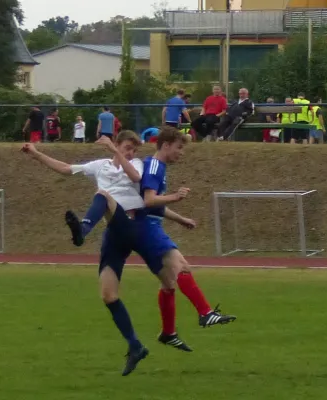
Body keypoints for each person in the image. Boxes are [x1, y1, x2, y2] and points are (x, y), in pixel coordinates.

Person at [21, 131, 151, 376]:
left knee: (103, 195)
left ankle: (81, 230)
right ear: (119, 144)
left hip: (131, 224)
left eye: (133, 149)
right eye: (127, 147)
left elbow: (135, 177)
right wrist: (37, 154)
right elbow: (66, 169)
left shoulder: (135, 164)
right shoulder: (100, 166)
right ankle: (135, 346)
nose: (130, 152)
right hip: (113, 232)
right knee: (108, 295)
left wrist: (115, 151)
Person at [138, 126, 236, 339]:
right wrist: (175, 196)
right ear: (165, 145)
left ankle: (168, 333)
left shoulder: (157, 166)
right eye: (179, 148)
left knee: (168, 284)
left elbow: (155, 206)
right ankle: (205, 313)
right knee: (181, 266)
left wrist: (182, 220)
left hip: (149, 225)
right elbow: (149, 200)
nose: (181, 153)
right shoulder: (155, 166)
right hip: (146, 228)